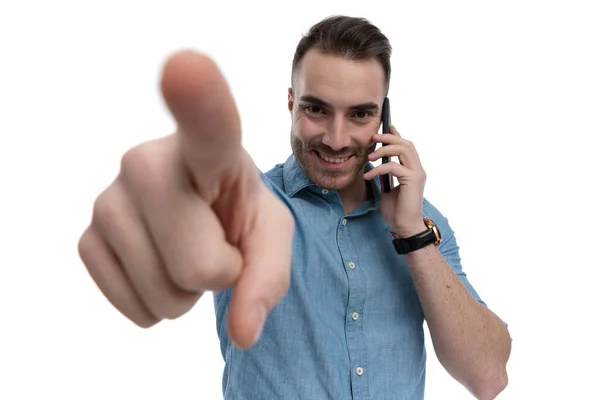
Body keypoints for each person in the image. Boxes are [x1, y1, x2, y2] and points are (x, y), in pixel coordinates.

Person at [78, 15, 511, 400]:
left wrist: (413, 235)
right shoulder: (248, 204)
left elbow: (488, 378)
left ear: (383, 120)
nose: (337, 139)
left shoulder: (423, 225)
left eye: (360, 114)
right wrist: (170, 204)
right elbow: (199, 204)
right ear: (290, 103)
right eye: (316, 109)